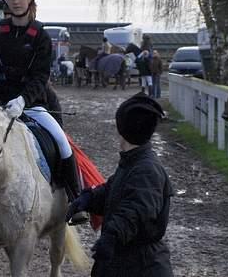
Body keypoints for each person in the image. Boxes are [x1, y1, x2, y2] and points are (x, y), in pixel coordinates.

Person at [0, 0, 82, 203]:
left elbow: (40, 77)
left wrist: (23, 100)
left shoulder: (41, 36)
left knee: (63, 144)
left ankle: (74, 199)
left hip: (32, 104)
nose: (16, 1)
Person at [66, 93, 174, 277]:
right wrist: (89, 198)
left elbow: (137, 210)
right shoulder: (134, 161)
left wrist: (112, 236)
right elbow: (113, 190)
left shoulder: (146, 169)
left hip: (142, 266)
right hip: (125, 261)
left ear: (122, 129)